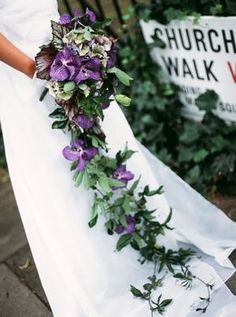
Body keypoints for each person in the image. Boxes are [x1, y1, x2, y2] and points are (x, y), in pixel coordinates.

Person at [0, 1, 236, 316]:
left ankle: (144, 233)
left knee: (111, 146)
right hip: (29, 73)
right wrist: (41, 73)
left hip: (65, 49)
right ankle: (102, 271)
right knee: (61, 174)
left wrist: (79, 45)